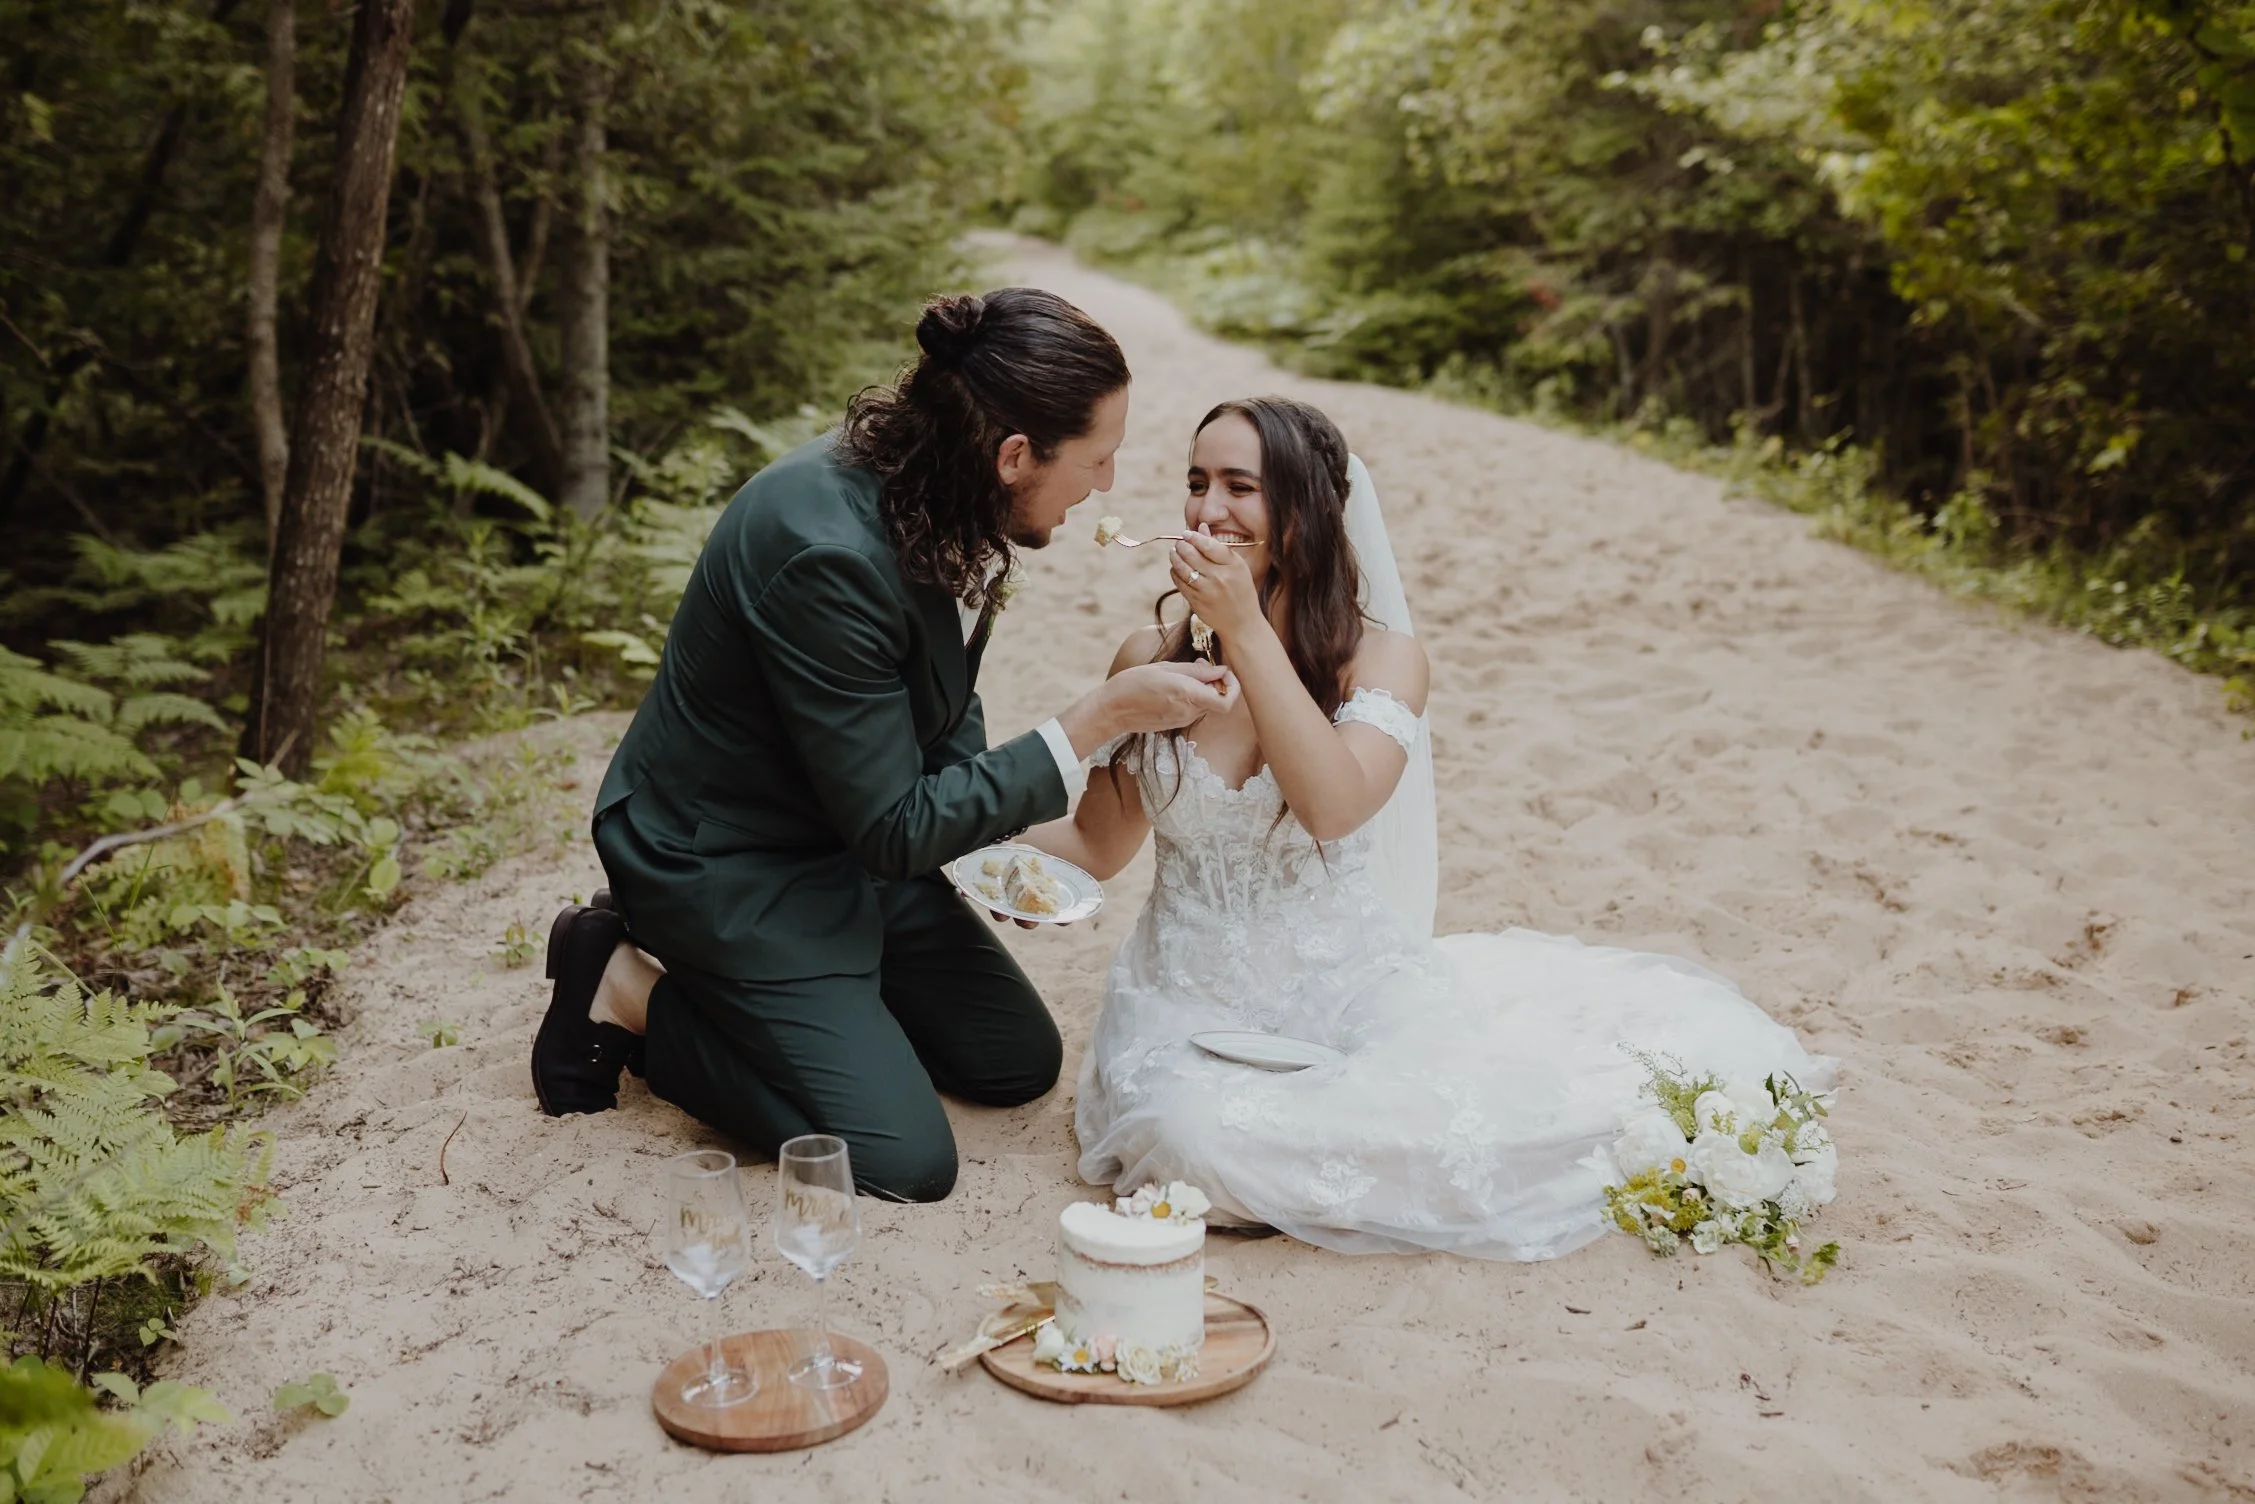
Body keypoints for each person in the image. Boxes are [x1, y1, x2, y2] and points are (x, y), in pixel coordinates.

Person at [1022, 396, 1834, 1258]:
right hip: (1183, 1006)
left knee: (1475, 1119)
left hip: (1346, 985)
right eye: (1195, 483)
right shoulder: (1149, 659)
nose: (1207, 511)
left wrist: (1246, 632)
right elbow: (1097, 845)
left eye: (1239, 487)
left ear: (1307, 511)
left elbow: (1335, 807)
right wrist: (953, 840)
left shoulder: (1383, 660)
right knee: (1195, 1144)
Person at [529, 289, 1240, 1203]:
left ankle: (818, 1010)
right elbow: (894, 831)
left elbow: (938, 714)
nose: (1104, 485)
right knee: (904, 1161)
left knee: (1011, 1060)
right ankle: (624, 983)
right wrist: (1099, 717)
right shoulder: (823, 550)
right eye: (1097, 460)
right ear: (1014, 455)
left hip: (845, 832)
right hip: (728, 864)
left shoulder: (931, 484)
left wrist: (984, 844)